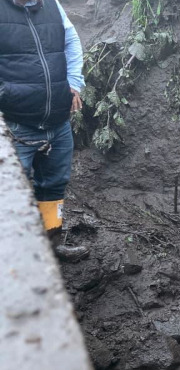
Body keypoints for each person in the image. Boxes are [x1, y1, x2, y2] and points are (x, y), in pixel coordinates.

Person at [0, 0, 88, 262]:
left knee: (54, 185)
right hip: (15, 123)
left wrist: (74, 82)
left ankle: (51, 245)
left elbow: (71, 42)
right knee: (15, 194)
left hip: (57, 122)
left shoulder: (52, 5)